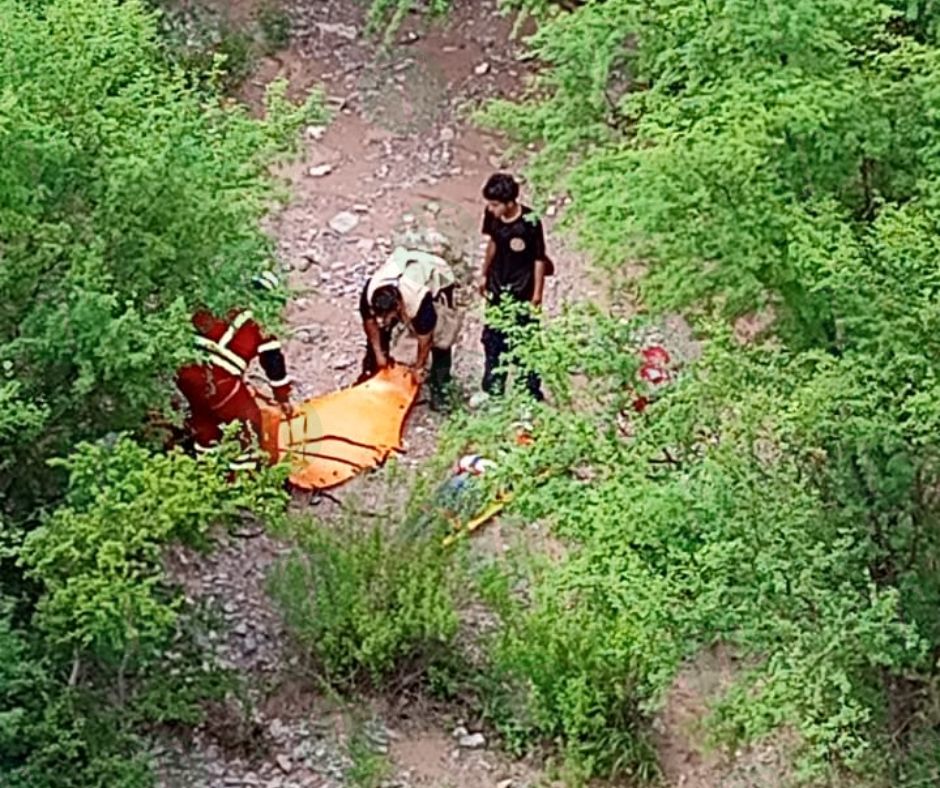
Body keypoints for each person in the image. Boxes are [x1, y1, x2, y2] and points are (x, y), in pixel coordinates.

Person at [175, 271, 294, 471]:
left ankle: (207, 476)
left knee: (205, 423)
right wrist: (282, 397)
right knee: (249, 428)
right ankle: (243, 484)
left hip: (185, 375)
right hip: (219, 381)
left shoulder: (218, 306)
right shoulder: (261, 320)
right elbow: (273, 362)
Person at [479, 172, 554, 400]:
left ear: (510, 203)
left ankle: (529, 391)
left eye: (495, 205)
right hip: (497, 284)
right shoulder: (492, 217)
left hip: (522, 288)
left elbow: (539, 258)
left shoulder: (530, 223)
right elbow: (492, 242)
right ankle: (494, 387)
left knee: (525, 340)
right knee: (493, 338)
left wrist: (537, 295)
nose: (491, 209)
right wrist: (483, 273)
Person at [357, 246, 461, 411]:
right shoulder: (370, 292)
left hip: (435, 276)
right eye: (380, 315)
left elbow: (425, 338)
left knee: (441, 339)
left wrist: (419, 367)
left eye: (387, 316)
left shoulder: (418, 300)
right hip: (401, 266)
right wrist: (379, 354)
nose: (382, 321)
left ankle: (440, 388)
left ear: (398, 306)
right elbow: (370, 323)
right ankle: (372, 376)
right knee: (378, 338)